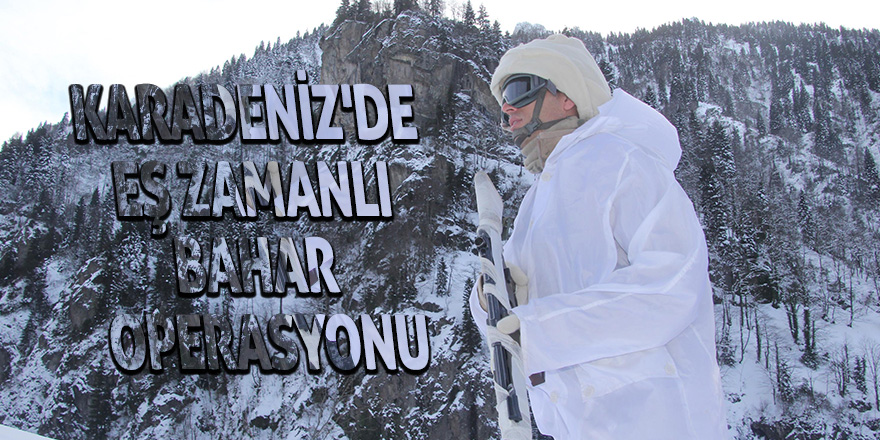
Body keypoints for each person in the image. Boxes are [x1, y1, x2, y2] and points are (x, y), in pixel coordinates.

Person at [468, 34, 728, 439]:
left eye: (517, 91)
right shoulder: (537, 201)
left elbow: (670, 286)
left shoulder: (625, 161)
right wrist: (489, 297)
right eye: (502, 102)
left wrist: (537, 328)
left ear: (567, 94)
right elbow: (507, 318)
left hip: (654, 421)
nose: (507, 110)